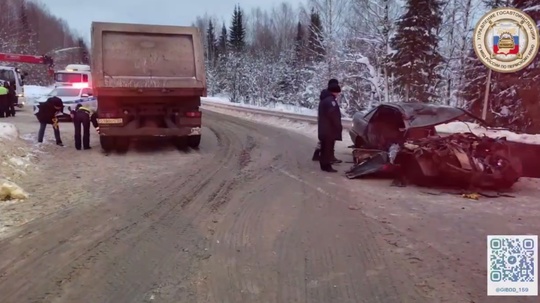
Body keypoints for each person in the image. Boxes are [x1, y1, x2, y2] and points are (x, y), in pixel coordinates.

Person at [312, 78, 342, 163]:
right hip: (328, 122)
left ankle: (319, 155)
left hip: (324, 120)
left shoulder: (325, 94)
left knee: (324, 141)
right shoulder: (329, 97)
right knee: (328, 141)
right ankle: (327, 157)